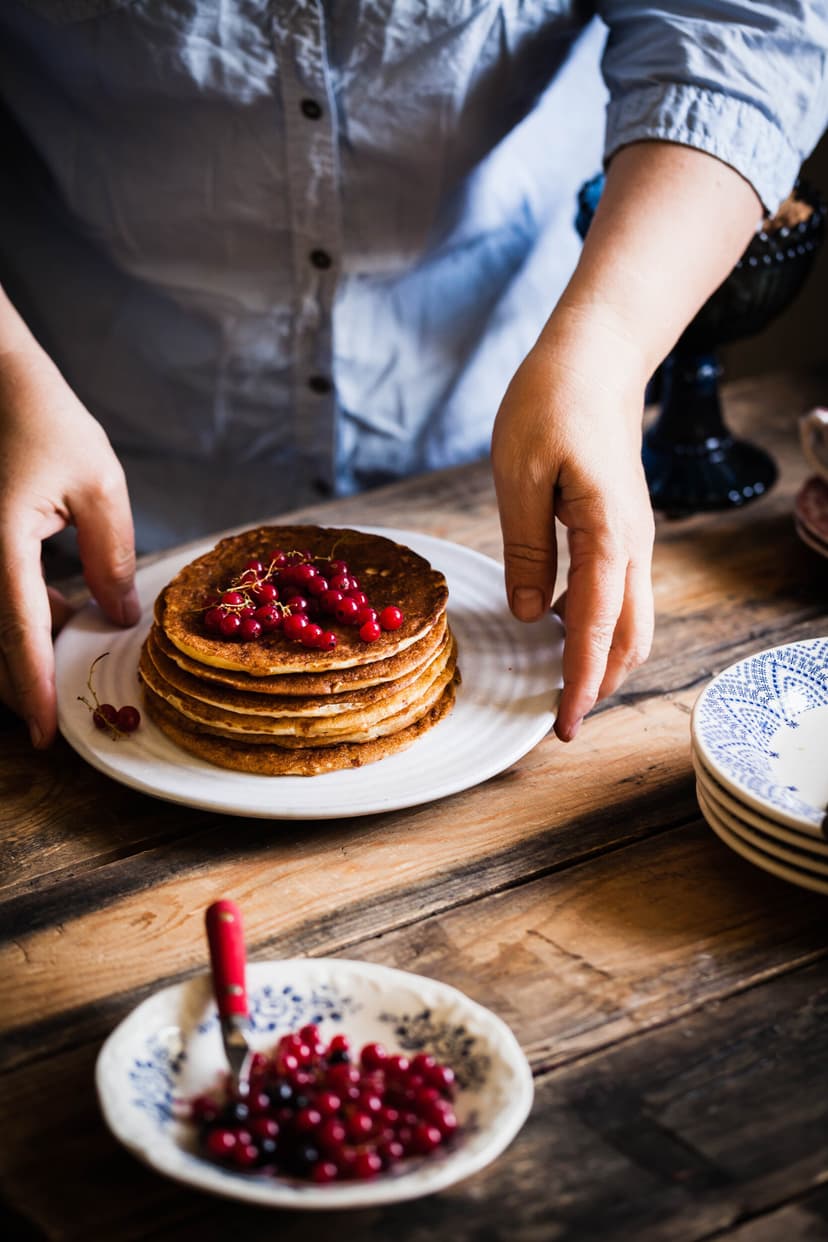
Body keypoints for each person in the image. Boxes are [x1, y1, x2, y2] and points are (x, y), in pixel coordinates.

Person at [1, 2, 826, 752]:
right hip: (83, 484)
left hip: (498, 466)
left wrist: (609, 351)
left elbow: (740, 27)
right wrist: (7, 376)